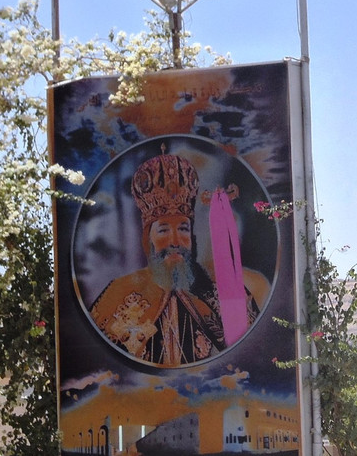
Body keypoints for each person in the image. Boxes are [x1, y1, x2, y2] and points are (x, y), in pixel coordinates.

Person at [90, 150, 269, 366]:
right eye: (164, 231)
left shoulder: (218, 297)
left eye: (183, 229)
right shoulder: (117, 294)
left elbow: (249, 362)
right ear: (148, 240)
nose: (175, 241)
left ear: (192, 237)